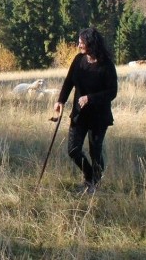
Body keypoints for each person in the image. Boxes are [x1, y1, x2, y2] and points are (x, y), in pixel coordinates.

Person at [52, 27, 117, 194]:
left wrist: (90, 98)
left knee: (95, 150)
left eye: (82, 42)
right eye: (79, 41)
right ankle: (90, 176)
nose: (79, 44)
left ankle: (94, 183)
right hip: (79, 114)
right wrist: (60, 100)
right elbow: (68, 82)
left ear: (91, 43)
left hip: (99, 116)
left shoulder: (106, 65)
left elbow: (112, 92)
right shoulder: (78, 60)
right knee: (73, 149)